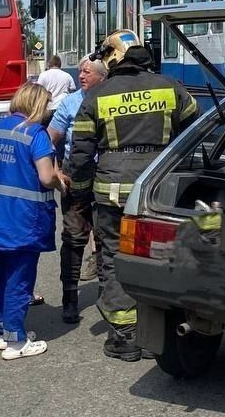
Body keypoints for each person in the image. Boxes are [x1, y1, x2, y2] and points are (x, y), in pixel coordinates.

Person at [69, 31, 197, 361]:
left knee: (113, 259)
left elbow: (81, 156)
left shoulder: (97, 96)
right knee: (161, 257)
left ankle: (125, 336)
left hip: (111, 194)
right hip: (159, 191)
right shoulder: (171, 87)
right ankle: (162, 332)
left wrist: (79, 197)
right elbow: (196, 130)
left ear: (114, 59)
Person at [0, 82, 59, 361]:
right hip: (23, 218)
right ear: (38, 105)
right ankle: (16, 340)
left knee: (0, 273)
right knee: (20, 277)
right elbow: (45, 177)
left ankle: (4, 329)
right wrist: (61, 183)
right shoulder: (35, 133)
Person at [47, 57, 108, 324]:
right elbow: (50, 138)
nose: (81, 75)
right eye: (80, 71)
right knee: (73, 239)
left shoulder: (111, 98)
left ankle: (108, 295)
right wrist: (56, 169)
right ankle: (69, 299)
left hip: (106, 177)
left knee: (106, 238)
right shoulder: (70, 103)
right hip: (75, 179)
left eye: (88, 71)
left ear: (103, 76)